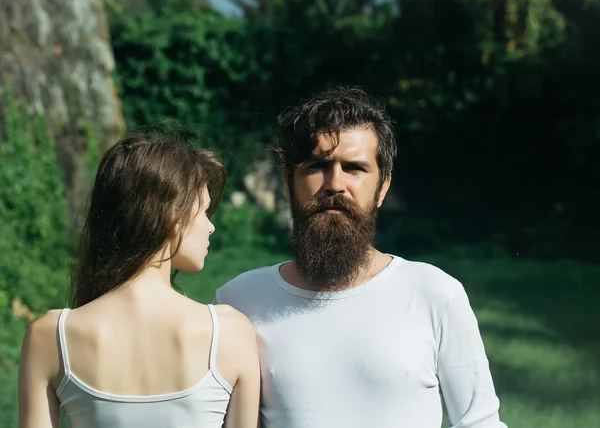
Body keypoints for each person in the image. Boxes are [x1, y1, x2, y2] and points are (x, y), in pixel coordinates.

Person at [214, 86, 507, 428]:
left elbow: (480, 423)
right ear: (288, 181)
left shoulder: (435, 294)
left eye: (354, 168)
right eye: (318, 165)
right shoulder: (238, 302)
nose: (335, 184)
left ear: (382, 187)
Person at [18, 133, 260, 428]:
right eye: (205, 210)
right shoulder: (231, 333)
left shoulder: (50, 337)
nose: (210, 227)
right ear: (172, 213)